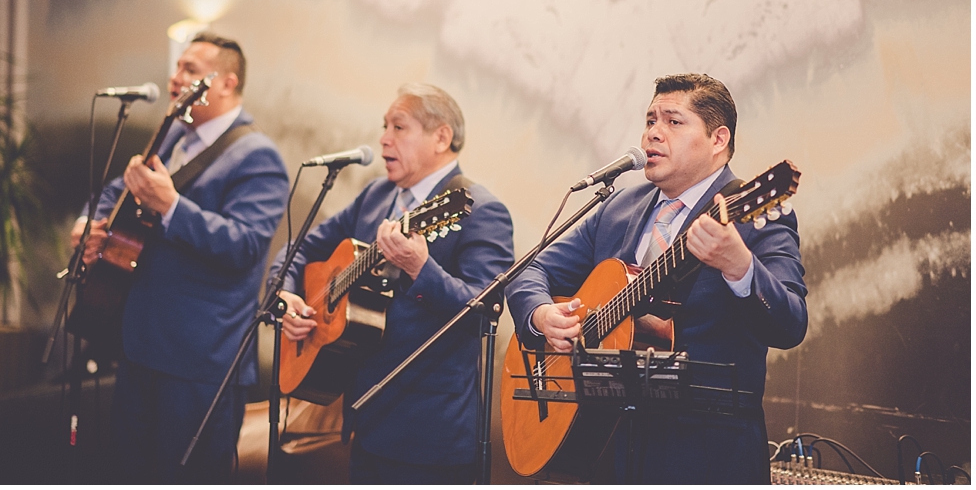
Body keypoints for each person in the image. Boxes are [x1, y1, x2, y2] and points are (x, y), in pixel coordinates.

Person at [505, 73, 807, 483]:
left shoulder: (756, 217)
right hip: (608, 448)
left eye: (673, 121)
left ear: (718, 140)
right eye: (650, 120)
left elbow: (790, 323)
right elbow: (529, 271)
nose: (653, 134)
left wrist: (741, 267)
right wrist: (541, 315)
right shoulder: (618, 208)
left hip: (706, 456)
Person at [269, 83, 514, 483]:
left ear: (441, 137)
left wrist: (422, 268)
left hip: (429, 434)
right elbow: (302, 247)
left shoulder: (481, 210)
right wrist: (287, 295)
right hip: (365, 422)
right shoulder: (377, 195)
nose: (383, 138)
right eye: (384, 126)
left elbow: (483, 314)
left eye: (399, 127)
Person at [72, 33, 290, 482]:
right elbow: (117, 189)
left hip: (200, 360)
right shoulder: (173, 136)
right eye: (178, 68)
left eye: (191, 70)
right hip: (139, 346)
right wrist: (87, 223)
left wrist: (172, 207)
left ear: (227, 83)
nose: (176, 78)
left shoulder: (258, 156)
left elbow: (246, 246)